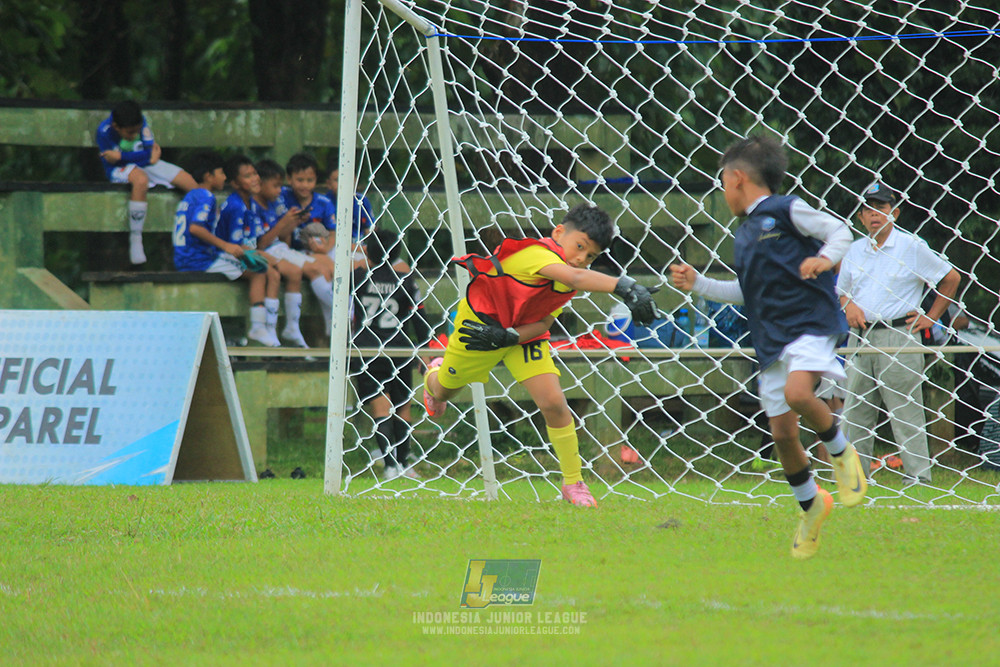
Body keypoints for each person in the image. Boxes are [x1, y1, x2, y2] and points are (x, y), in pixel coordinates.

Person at [669, 134, 866, 560]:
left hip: (810, 326)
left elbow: (838, 230)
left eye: (722, 182)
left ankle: (840, 450)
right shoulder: (743, 236)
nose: (723, 192)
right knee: (781, 433)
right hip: (772, 340)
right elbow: (745, 291)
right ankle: (812, 505)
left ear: (737, 178)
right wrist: (697, 283)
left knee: (799, 395)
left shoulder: (786, 209)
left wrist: (825, 259)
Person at [422, 203, 660, 508]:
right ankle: (433, 376)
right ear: (558, 233)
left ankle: (573, 482)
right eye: (579, 247)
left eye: (590, 257)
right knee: (445, 390)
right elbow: (575, 279)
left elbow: (546, 321)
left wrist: (510, 337)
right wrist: (623, 286)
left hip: (520, 334)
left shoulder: (570, 277)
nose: (581, 259)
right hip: (481, 326)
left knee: (554, 403)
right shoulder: (538, 255)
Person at [837, 182, 961, 486]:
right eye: (868, 208)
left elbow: (951, 278)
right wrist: (848, 305)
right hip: (861, 338)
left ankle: (918, 478)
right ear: (860, 217)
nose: (874, 214)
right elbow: (842, 291)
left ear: (895, 212)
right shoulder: (854, 250)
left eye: (881, 207)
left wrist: (930, 317)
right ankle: (855, 479)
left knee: (905, 409)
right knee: (855, 412)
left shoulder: (911, 246)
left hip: (899, 333)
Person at [351, 229, 433, 480]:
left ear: (368, 250)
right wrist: (426, 352)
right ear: (397, 253)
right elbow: (420, 317)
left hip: (367, 349)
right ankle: (403, 463)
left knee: (380, 408)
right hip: (399, 350)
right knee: (402, 409)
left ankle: (388, 466)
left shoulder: (357, 278)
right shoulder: (406, 280)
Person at [172, 151, 277, 346]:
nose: (224, 177)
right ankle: (258, 327)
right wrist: (226, 246)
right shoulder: (206, 197)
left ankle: (251, 331)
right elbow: (195, 228)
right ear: (208, 176)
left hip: (184, 257)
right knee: (259, 270)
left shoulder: (191, 196)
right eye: (220, 173)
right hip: (200, 259)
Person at [97, 100, 198, 265]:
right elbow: (113, 161)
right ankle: (136, 238)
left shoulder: (141, 121)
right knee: (141, 180)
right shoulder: (104, 132)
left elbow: (149, 152)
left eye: (136, 131)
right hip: (118, 169)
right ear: (117, 127)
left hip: (143, 163)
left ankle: (213, 226)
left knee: (188, 181)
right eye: (130, 133)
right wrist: (136, 157)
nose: (135, 136)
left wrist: (126, 156)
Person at [253, 158, 334, 348]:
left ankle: (301, 326)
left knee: (327, 264)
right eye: (276, 186)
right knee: (315, 268)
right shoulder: (269, 202)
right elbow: (261, 244)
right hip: (272, 252)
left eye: (310, 180)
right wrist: (286, 223)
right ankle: (345, 313)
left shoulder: (274, 201)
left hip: (284, 249)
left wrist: (293, 223)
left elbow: (283, 239)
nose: (279, 190)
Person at [216, 155, 283, 347]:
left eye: (254, 173)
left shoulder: (251, 202)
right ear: (235, 183)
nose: (255, 178)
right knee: (262, 270)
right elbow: (236, 246)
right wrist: (264, 255)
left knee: (273, 273)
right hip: (224, 256)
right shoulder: (236, 207)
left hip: (244, 252)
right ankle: (258, 326)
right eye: (247, 176)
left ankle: (269, 328)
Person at [323, 166, 377, 263]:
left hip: (361, 248)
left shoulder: (362, 201)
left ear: (355, 179)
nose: (343, 183)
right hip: (334, 249)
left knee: (400, 266)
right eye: (337, 180)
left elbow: (369, 231)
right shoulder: (324, 202)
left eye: (348, 177)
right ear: (328, 183)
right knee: (358, 266)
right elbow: (329, 238)